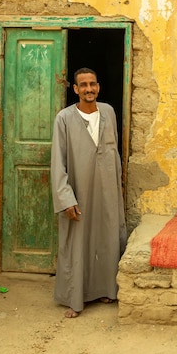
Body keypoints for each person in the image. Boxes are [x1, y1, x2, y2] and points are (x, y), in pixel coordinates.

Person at [50, 67, 127, 319]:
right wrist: (65, 198)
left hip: (107, 187)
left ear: (98, 87)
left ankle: (105, 290)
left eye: (93, 84)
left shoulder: (108, 112)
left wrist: (117, 183)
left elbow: (113, 151)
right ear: (75, 89)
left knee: (106, 236)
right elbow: (58, 162)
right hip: (78, 189)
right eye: (83, 85)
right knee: (77, 240)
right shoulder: (64, 118)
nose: (89, 89)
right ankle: (75, 298)